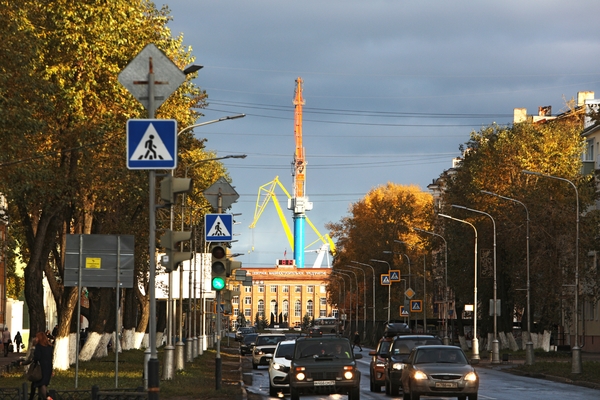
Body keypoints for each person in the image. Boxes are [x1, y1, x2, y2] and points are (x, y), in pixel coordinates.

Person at [32, 331, 53, 400]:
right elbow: (51, 357)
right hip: (48, 367)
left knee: (41, 384)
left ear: (40, 338)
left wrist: (33, 359)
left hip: (41, 367)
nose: (36, 339)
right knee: (43, 384)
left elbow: (37, 357)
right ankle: (44, 397)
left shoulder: (38, 346)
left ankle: (46, 398)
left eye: (37, 337)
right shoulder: (49, 347)